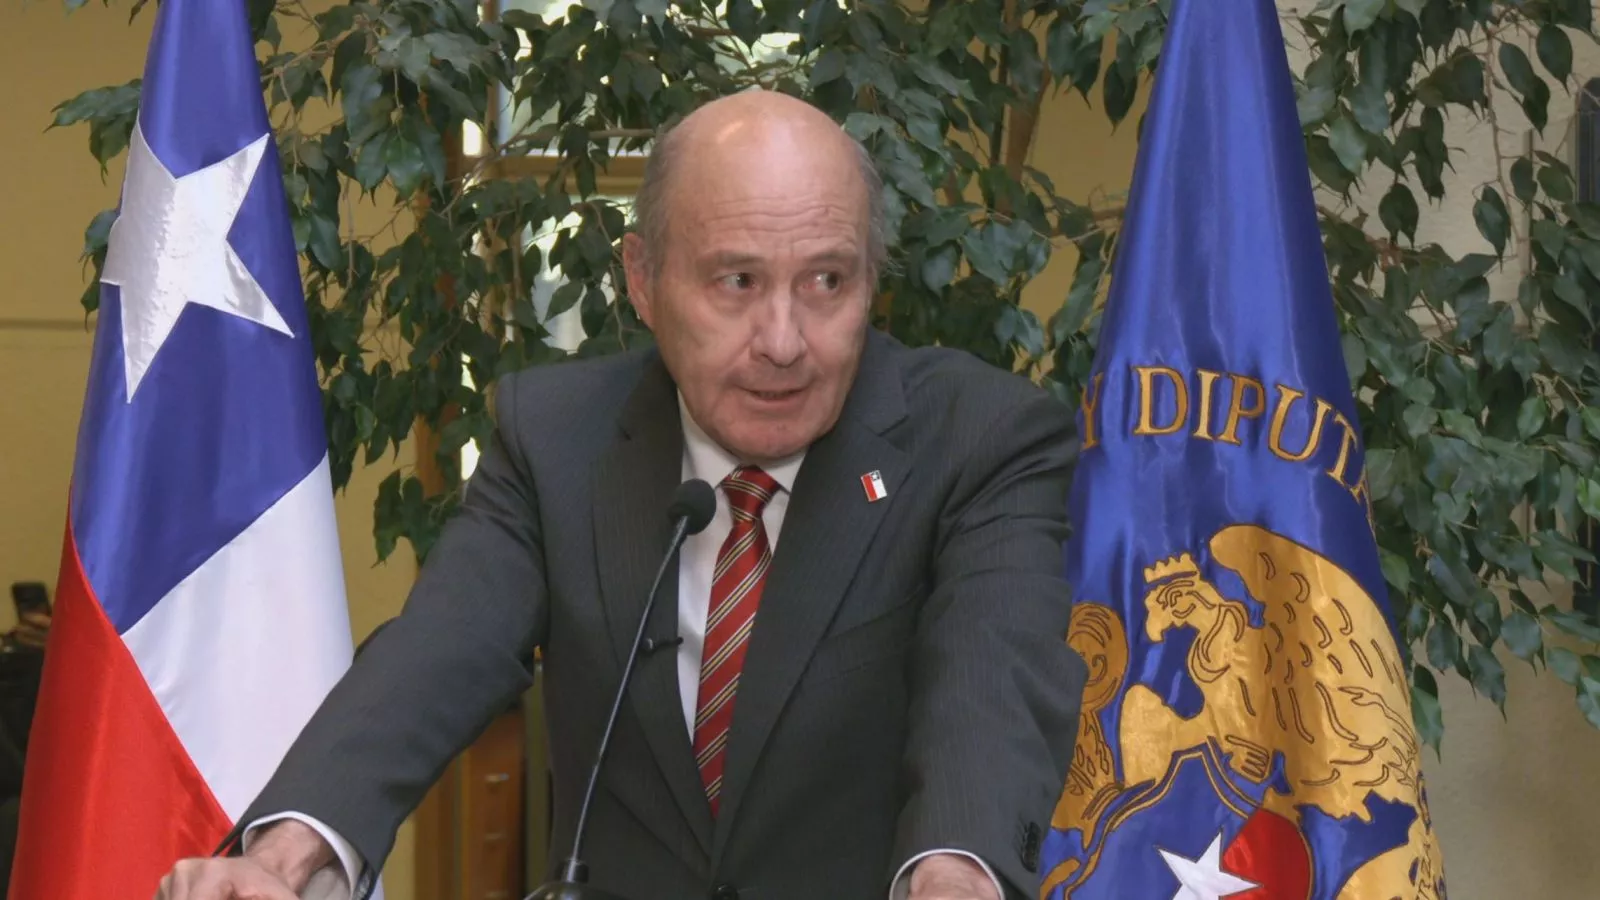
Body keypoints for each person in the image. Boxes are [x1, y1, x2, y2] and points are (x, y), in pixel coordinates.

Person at [156, 89, 1086, 900]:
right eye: (737, 281)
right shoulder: (557, 438)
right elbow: (436, 656)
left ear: (871, 283)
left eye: (827, 282)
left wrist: (955, 876)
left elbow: (991, 690)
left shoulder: (979, 440)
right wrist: (285, 855)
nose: (784, 340)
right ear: (643, 280)